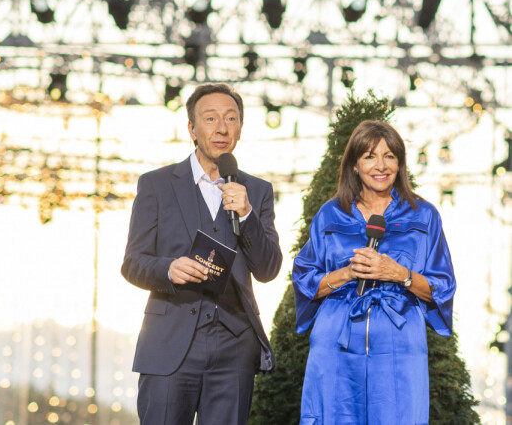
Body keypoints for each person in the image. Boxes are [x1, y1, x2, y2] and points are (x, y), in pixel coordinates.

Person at [121, 82, 283, 425]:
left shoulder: (257, 191)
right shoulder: (157, 184)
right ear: (192, 129)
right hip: (169, 341)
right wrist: (169, 269)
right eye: (210, 119)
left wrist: (248, 216)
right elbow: (133, 263)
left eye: (231, 118)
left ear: (240, 127)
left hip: (234, 346)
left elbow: (268, 269)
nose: (222, 128)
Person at [292, 119, 456, 425]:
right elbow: (304, 280)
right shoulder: (330, 213)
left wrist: (399, 274)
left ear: (400, 164)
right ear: (354, 165)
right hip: (336, 343)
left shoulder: (424, 216)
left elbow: (442, 287)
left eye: (389, 156)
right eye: (369, 156)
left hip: (400, 344)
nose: (380, 165)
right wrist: (347, 273)